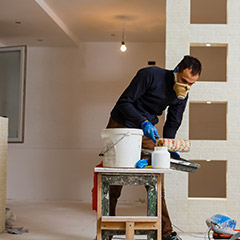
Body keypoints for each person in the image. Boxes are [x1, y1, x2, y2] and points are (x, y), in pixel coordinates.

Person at [106, 55, 202, 240]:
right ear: (177, 70)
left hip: (146, 130)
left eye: (191, 83)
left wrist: (168, 146)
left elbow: (173, 122)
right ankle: (108, 229)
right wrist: (143, 122)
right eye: (184, 80)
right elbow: (124, 102)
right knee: (114, 177)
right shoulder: (149, 75)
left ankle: (165, 233)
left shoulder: (182, 93)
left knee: (155, 177)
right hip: (121, 123)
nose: (186, 86)